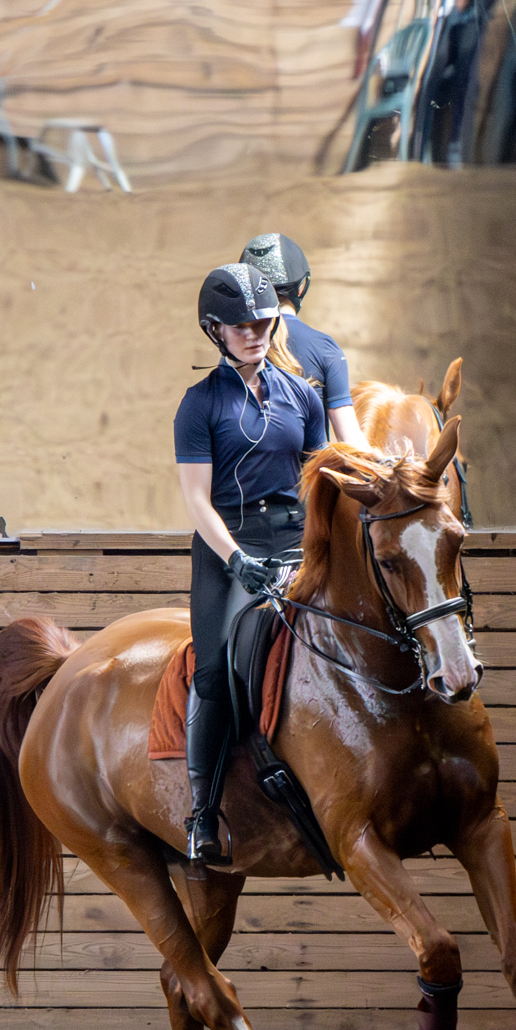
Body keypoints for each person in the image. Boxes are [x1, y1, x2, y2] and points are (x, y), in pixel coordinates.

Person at [174, 262, 329, 865]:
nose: (256, 333)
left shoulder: (302, 397)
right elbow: (195, 500)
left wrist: (321, 545)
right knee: (213, 674)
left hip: (294, 537)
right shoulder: (200, 404)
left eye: (262, 322)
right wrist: (238, 561)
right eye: (241, 326)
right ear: (215, 330)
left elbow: (321, 481)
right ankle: (201, 813)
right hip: (227, 546)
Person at [238, 232, 367, 449]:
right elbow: (349, 440)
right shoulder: (324, 348)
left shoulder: (233, 351)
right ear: (301, 286)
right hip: (304, 481)